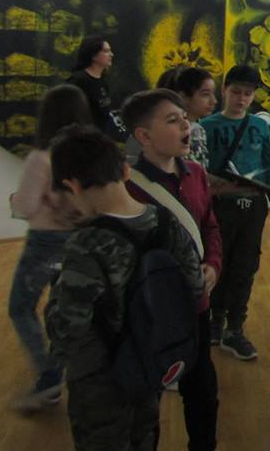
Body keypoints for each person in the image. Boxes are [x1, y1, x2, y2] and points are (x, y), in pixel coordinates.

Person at [45, 126, 204, 451]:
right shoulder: (166, 221)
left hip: (100, 382)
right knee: (144, 437)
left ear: (72, 185)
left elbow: (67, 329)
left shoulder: (85, 244)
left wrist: (54, 294)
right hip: (150, 361)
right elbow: (196, 285)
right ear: (126, 170)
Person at [121, 89, 222, 451]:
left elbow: (210, 225)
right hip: (153, 312)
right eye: (172, 120)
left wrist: (213, 265)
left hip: (197, 304)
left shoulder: (196, 173)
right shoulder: (128, 188)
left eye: (184, 118)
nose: (186, 126)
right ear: (143, 135)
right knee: (146, 395)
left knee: (202, 389)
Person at [9, 84, 92, 412]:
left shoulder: (40, 158)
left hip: (45, 242)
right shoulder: (88, 156)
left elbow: (26, 207)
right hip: (79, 241)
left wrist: (15, 201)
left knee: (21, 307)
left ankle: (49, 376)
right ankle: (66, 374)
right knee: (61, 310)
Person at [201, 65, 270, 360]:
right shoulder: (206, 126)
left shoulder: (259, 126)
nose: (241, 99)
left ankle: (235, 327)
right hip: (220, 206)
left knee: (246, 265)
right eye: (236, 92)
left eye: (248, 94)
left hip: (253, 204)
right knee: (218, 261)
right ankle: (215, 319)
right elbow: (200, 170)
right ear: (225, 90)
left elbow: (269, 165)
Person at [66, 34, 126, 139]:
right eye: (106, 51)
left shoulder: (103, 81)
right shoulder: (78, 81)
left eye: (110, 51)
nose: (111, 54)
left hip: (100, 137)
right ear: (93, 55)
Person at [174, 67, 218, 169]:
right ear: (183, 97)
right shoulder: (176, 131)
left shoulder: (198, 128)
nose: (214, 101)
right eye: (205, 94)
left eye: (213, 94)